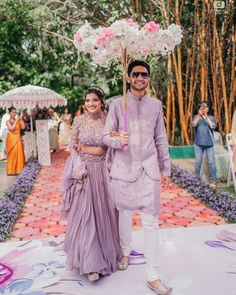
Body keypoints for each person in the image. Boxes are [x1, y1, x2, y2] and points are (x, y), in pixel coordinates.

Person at [103, 60, 172, 295]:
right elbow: (105, 135)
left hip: (149, 169)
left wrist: (166, 166)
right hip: (123, 168)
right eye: (136, 74)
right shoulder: (116, 104)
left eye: (144, 74)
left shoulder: (156, 105)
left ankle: (153, 275)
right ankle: (124, 251)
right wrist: (116, 139)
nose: (140, 78)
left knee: (150, 221)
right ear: (128, 77)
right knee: (125, 213)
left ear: (148, 78)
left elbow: (160, 136)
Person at [61, 86, 121, 282]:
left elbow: (104, 150)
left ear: (101, 102)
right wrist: (76, 166)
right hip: (84, 174)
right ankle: (90, 264)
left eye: (95, 100)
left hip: (102, 174)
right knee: (85, 218)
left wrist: (85, 148)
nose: (91, 104)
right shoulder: (79, 120)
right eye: (88, 101)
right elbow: (72, 146)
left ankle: (102, 257)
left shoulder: (108, 120)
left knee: (102, 216)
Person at [192, 101, 217, 187]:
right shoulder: (196, 117)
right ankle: (196, 180)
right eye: (202, 107)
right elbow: (194, 124)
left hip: (209, 144)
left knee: (212, 163)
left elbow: (213, 126)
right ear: (200, 108)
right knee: (198, 163)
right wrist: (199, 115)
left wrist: (206, 117)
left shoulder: (211, 117)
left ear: (208, 109)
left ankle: (213, 181)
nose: (204, 108)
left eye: (206, 107)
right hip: (198, 144)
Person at [6, 107, 25, 175]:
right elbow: (11, 128)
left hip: (18, 138)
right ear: (10, 113)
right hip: (11, 139)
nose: (14, 114)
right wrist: (16, 121)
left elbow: (23, 127)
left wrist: (21, 120)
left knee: (19, 153)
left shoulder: (18, 119)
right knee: (12, 154)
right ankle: (11, 170)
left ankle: (18, 170)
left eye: (15, 112)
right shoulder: (7, 121)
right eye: (13, 112)